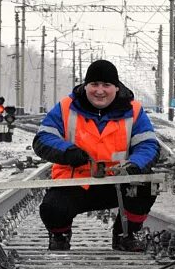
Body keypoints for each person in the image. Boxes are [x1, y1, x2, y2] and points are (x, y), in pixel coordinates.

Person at [33, 59, 160, 252]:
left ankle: (126, 235)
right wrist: (69, 152)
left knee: (147, 187)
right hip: (76, 182)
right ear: (85, 86)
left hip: (117, 181)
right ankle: (60, 235)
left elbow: (148, 144)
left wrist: (135, 165)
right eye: (94, 84)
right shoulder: (66, 107)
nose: (99, 90)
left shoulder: (133, 110)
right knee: (52, 209)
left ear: (116, 88)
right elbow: (43, 139)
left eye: (106, 85)